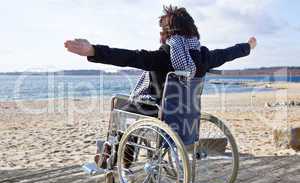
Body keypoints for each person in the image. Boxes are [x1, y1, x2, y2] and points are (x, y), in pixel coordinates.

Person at [65, 5, 257, 168]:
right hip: (186, 120)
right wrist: (247, 47)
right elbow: (228, 53)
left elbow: (129, 57)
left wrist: (93, 50)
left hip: (158, 117)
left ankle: (118, 159)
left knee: (122, 108)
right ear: (193, 32)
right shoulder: (204, 57)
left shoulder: (164, 56)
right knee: (130, 108)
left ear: (167, 35)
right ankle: (119, 156)